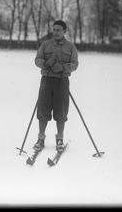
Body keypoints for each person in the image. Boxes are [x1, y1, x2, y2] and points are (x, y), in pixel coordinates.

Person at [33, 20, 78, 152]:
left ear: (65, 31)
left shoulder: (70, 47)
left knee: (61, 111)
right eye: (54, 30)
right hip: (46, 81)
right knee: (43, 111)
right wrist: (47, 63)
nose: (56, 32)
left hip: (62, 82)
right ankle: (41, 139)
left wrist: (63, 68)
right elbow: (37, 60)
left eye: (59, 30)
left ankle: (60, 139)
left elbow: (75, 64)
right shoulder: (45, 45)